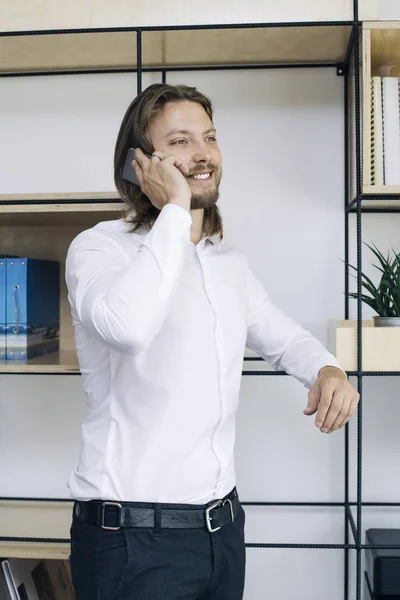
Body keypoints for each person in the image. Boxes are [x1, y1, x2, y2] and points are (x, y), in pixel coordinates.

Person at [65, 83, 359, 600]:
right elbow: (130, 327)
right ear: (140, 164)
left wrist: (327, 369)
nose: (202, 154)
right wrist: (176, 209)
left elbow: (285, 338)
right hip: (131, 540)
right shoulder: (98, 250)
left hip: (222, 533)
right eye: (179, 141)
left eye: (210, 137)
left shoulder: (230, 266)